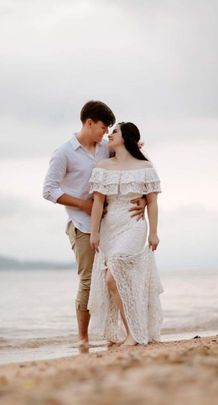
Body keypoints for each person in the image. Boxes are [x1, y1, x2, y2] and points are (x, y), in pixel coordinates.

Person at [42, 101, 146, 346]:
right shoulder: (63, 152)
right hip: (81, 224)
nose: (106, 132)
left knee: (114, 276)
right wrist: (84, 205)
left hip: (113, 224)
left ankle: (119, 333)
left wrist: (141, 198)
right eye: (103, 127)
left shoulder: (105, 148)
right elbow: (48, 190)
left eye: (110, 128)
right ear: (89, 123)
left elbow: (130, 164)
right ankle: (83, 339)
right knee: (89, 280)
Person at [88, 122, 164, 346]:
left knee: (114, 274)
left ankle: (134, 333)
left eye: (115, 132)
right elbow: (98, 202)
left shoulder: (145, 166)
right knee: (114, 281)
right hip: (109, 227)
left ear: (127, 137)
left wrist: (154, 233)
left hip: (134, 224)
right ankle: (133, 331)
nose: (110, 135)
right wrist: (94, 233)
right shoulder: (102, 166)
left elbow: (152, 202)